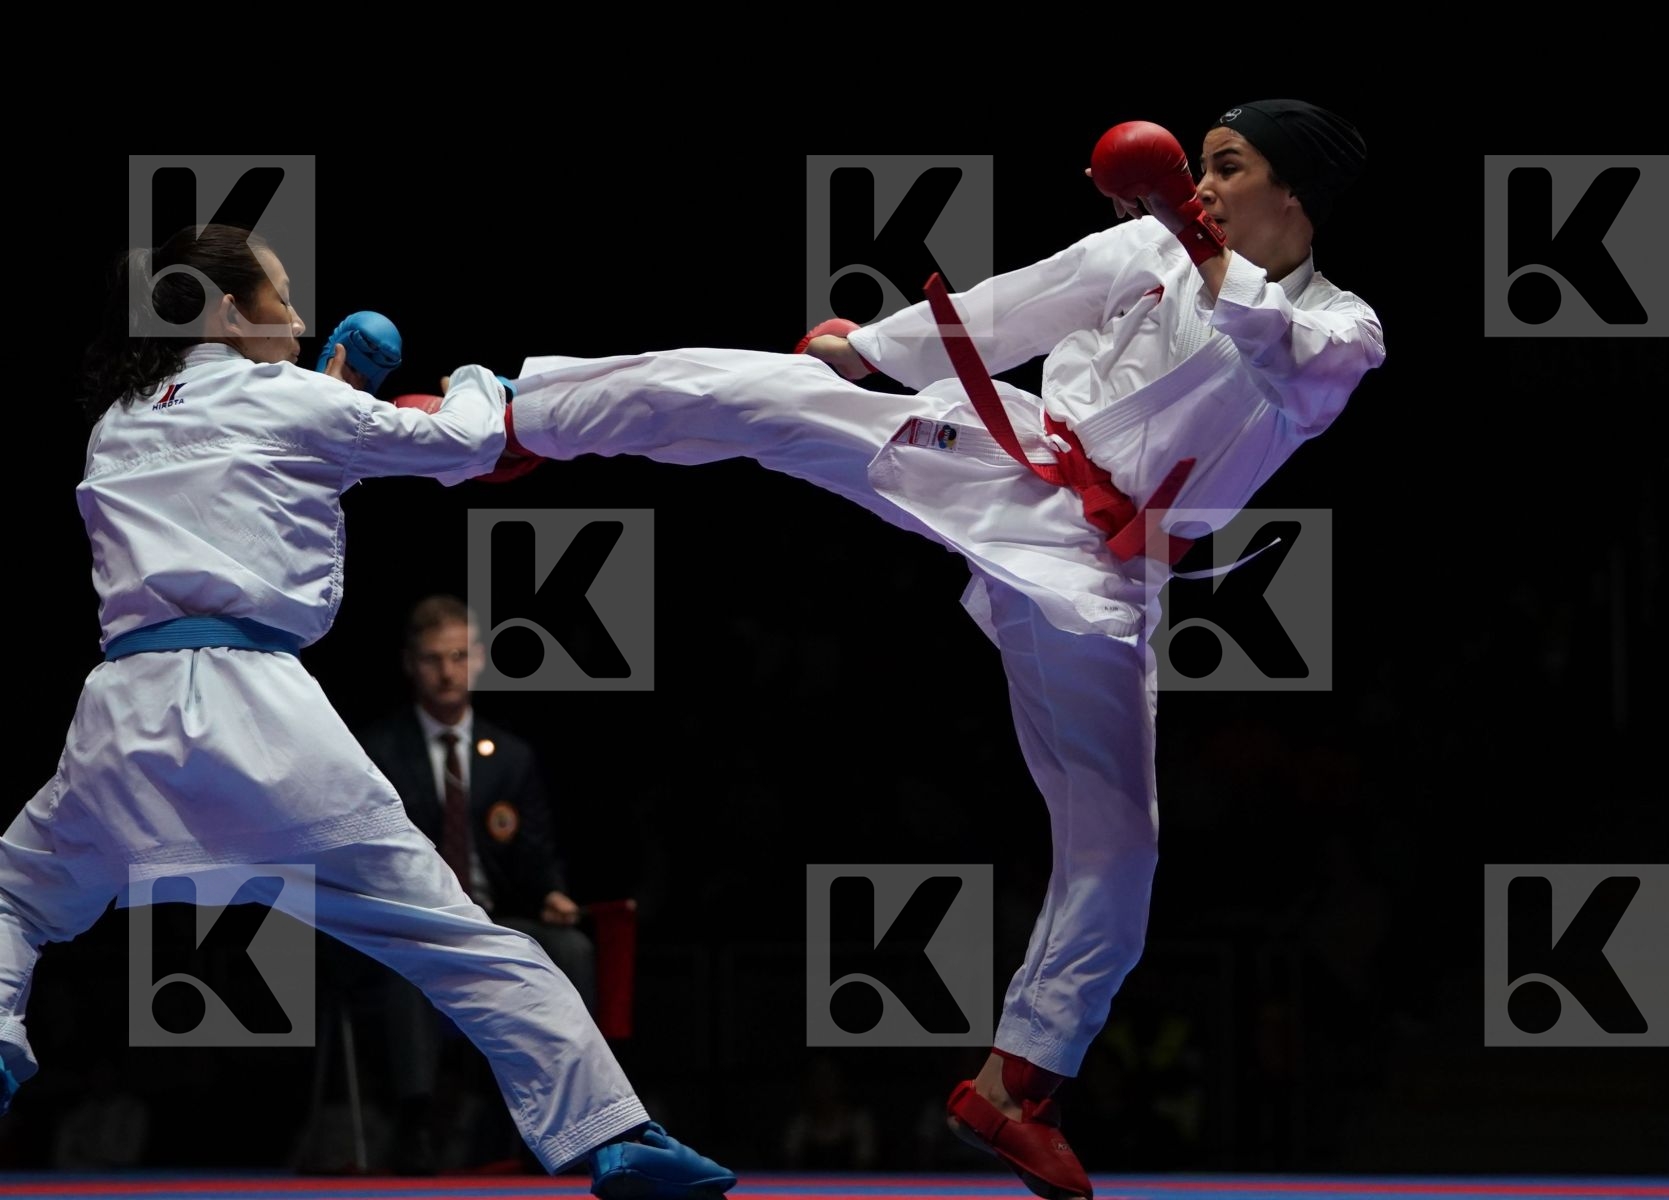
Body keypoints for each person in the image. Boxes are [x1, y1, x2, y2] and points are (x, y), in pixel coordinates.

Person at [485, 99, 1382, 1199]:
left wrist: (1191, 235)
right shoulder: (1151, 248)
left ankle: (1014, 1088)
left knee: (1118, 850)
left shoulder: (1345, 331)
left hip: (1107, 578)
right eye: (1192, 168)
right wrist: (868, 349)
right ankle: (512, 418)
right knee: (772, 399)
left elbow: (1273, 344)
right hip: (1006, 466)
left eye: (1226, 168)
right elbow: (1020, 303)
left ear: (1293, 191)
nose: (1198, 187)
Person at [0, 222, 734, 1199]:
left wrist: (330, 395)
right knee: (454, 939)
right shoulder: (286, 396)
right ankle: (615, 1134)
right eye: (282, 295)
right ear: (230, 312)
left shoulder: (119, 421)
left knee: (15, 895)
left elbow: (258, 472)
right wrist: (477, 383)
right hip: (257, 716)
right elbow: (459, 444)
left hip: (123, 725)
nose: (300, 318)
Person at [346, 593, 598, 1173]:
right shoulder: (376, 752)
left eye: (459, 656)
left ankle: (568, 1118)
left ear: (479, 659)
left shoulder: (510, 757)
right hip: (414, 918)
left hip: (494, 919)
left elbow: (534, 855)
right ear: (410, 664)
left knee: (571, 949)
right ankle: (416, 1124)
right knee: (408, 959)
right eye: (433, 658)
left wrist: (552, 893)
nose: (447, 671)